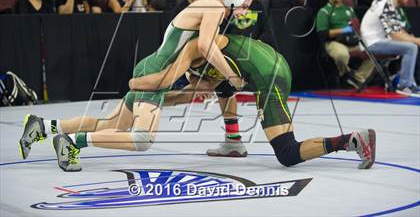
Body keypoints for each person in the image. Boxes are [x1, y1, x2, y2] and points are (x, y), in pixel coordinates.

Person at [20, 0, 254, 171]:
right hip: (157, 71)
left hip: (155, 67)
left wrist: (196, 85)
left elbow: (191, 52)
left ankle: (44, 126)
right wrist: (232, 77)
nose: (244, 12)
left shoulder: (210, 9)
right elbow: (204, 46)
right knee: (142, 139)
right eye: (244, 5)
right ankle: (73, 142)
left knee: (111, 124)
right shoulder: (214, 7)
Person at [122, 34, 377, 169]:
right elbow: (194, 91)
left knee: (287, 153)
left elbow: (168, 79)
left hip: (269, 77)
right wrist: (157, 98)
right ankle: (234, 142)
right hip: (270, 65)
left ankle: (351, 140)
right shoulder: (207, 48)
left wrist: (136, 87)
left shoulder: (195, 47)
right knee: (223, 87)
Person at [361, 0, 420, 97]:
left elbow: (400, 31)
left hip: (378, 41)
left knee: (412, 45)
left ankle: (409, 82)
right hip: (372, 43)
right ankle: (404, 85)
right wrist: (416, 41)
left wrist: (415, 39)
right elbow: (395, 35)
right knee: (411, 48)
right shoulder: (386, 5)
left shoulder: (389, 5)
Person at [316, 0, 374, 88]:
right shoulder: (324, 11)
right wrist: (343, 30)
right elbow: (323, 33)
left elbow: (357, 26)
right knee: (341, 55)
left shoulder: (349, 10)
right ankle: (347, 75)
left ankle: (357, 78)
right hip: (334, 42)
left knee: (373, 52)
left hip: (353, 41)